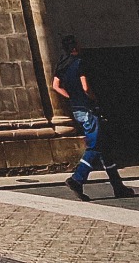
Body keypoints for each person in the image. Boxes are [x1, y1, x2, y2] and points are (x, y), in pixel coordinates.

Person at [51, 34, 133, 200]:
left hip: (76, 109)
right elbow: (86, 86)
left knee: (104, 147)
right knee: (95, 145)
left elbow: (55, 86)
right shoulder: (80, 63)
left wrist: (70, 97)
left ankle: (118, 186)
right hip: (88, 108)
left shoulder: (62, 65)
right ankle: (77, 179)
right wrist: (93, 98)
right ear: (75, 47)